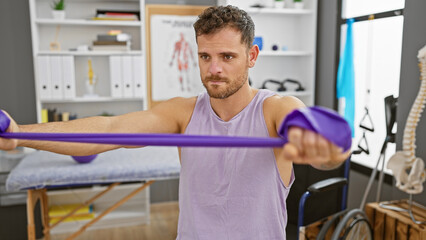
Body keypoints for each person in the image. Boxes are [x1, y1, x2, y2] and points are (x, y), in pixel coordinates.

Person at [0, 6, 350, 240]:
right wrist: (19, 134)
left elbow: (323, 149)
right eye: (205, 56)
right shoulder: (183, 113)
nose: (214, 68)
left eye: (228, 56)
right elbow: (107, 131)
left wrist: (317, 136)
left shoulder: (275, 109)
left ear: (252, 56)